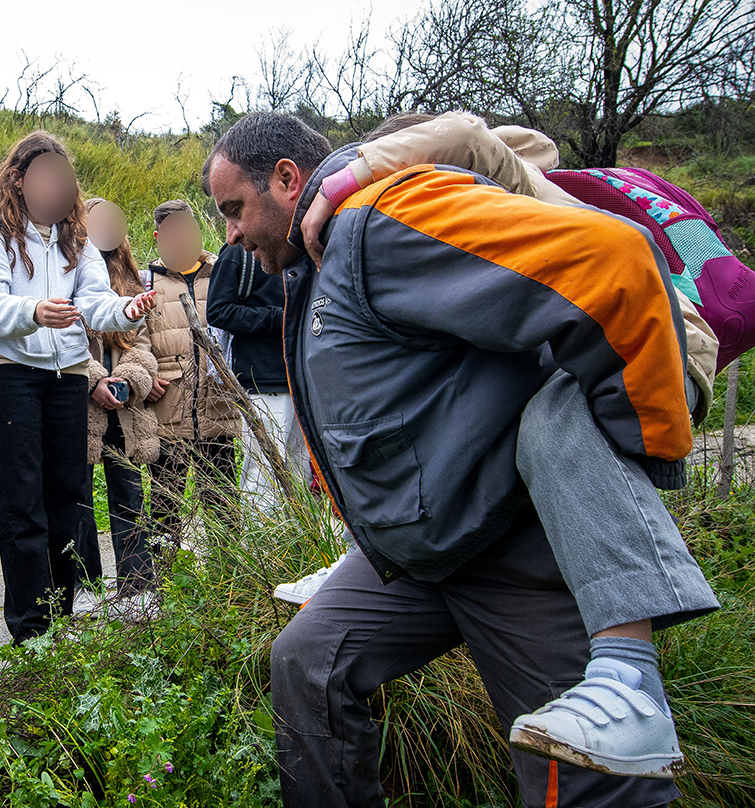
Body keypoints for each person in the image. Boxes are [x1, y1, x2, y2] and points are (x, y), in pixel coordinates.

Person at [206, 111, 697, 807]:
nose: (228, 232)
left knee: (579, 779)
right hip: (426, 557)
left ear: (286, 179)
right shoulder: (318, 257)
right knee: (307, 661)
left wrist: (622, 469)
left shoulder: (379, 217)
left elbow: (612, 262)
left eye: (233, 208)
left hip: (512, 551)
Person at [0, 131, 156, 644]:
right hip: (15, 373)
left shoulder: (76, 238)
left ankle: (62, 615)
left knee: (69, 495)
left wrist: (126, 308)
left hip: (69, 376)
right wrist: (34, 311)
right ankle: (29, 626)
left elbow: (96, 301)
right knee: (20, 497)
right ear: (20, 179)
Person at [136, 201, 240, 546]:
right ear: (157, 237)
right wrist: (146, 376)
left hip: (218, 410)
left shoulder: (222, 274)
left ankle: (232, 581)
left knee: (223, 504)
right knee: (166, 506)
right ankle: (168, 585)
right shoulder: (145, 283)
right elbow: (135, 341)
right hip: (168, 411)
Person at [75, 197, 160, 601]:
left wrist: (125, 382)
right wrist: (94, 382)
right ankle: (81, 584)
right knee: (77, 499)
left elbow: (143, 343)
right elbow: (61, 341)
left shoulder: (132, 279)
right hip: (78, 407)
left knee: (129, 494)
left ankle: (137, 585)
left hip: (124, 411)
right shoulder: (67, 273)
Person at [206, 240, 309, 514]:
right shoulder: (238, 251)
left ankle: (305, 552)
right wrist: (278, 317)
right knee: (263, 477)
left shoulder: (300, 244)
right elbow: (217, 311)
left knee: (303, 476)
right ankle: (266, 555)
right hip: (261, 381)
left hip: (303, 379)